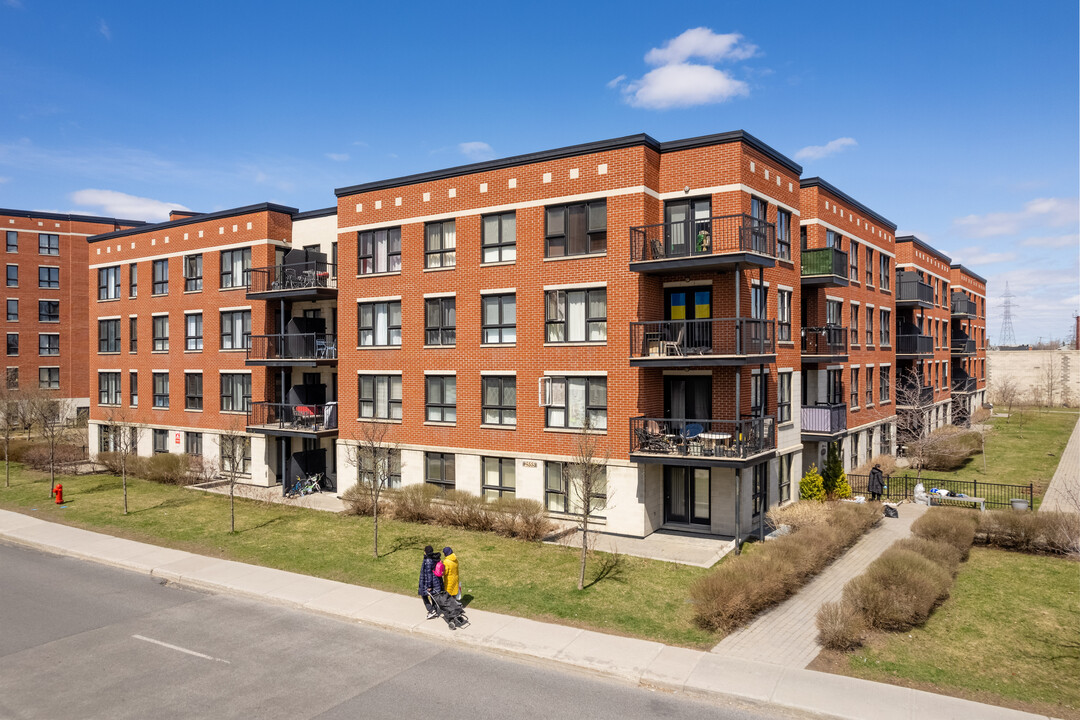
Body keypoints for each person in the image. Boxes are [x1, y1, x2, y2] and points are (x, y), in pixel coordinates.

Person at [418, 545, 443, 619]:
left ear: (426, 552)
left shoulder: (428, 560)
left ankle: (431, 610)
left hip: (430, 582)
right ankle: (434, 610)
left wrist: (429, 586)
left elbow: (428, 574)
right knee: (433, 596)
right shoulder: (435, 558)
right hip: (436, 581)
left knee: (424, 595)